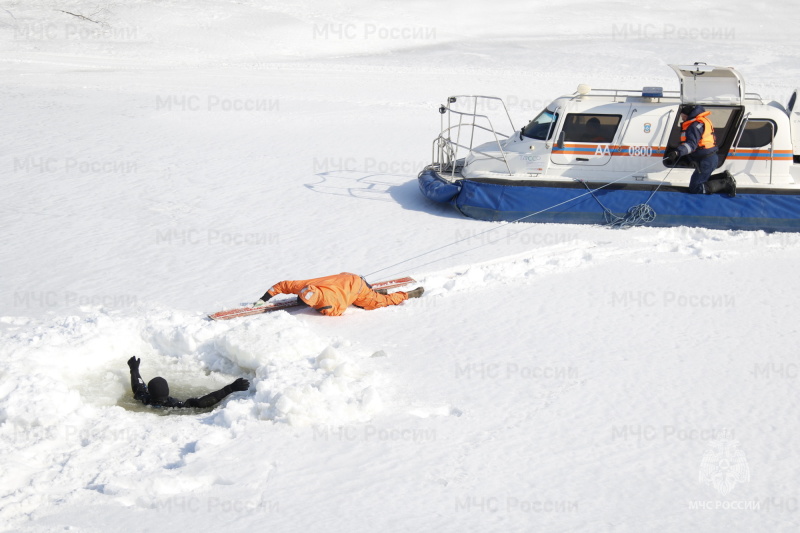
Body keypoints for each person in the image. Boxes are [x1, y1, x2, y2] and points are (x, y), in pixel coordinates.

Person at [253, 272, 424, 317]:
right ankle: (371, 291)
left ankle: (408, 295)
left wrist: (321, 310)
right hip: (346, 276)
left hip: (356, 286)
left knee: (378, 302)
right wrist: (264, 298)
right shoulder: (306, 286)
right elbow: (282, 285)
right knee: (363, 298)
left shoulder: (328, 304)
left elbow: (338, 312)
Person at [664, 105, 736, 196]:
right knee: (702, 178)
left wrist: (677, 152)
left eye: (683, 116)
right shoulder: (701, 122)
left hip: (706, 160)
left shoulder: (694, 126)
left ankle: (726, 183)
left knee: (695, 188)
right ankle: (722, 177)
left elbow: (691, 145)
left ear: (688, 115)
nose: (682, 118)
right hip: (709, 158)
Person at [127, 356, 249, 408]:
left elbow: (138, 385)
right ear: (167, 391)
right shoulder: (175, 406)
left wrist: (134, 369)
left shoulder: (144, 398)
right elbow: (201, 403)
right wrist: (230, 388)